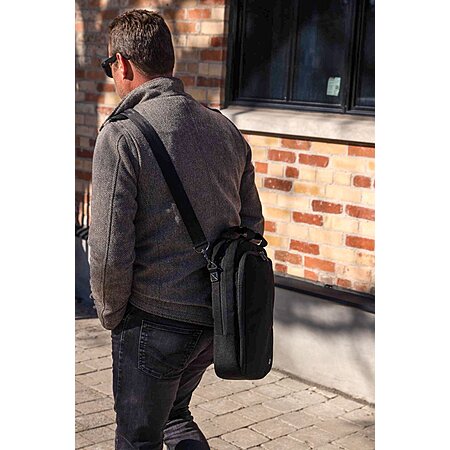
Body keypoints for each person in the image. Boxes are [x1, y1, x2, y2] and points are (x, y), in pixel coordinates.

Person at [88, 9, 264, 450]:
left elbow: (108, 248)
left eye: (109, 66)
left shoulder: (122, 135)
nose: (112, 75)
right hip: (215, 320)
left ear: (123, 64)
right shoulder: (224, 128)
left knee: (138, 437)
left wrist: (110, 313)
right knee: (175, 416)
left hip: (154, 322)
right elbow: (251, 227)